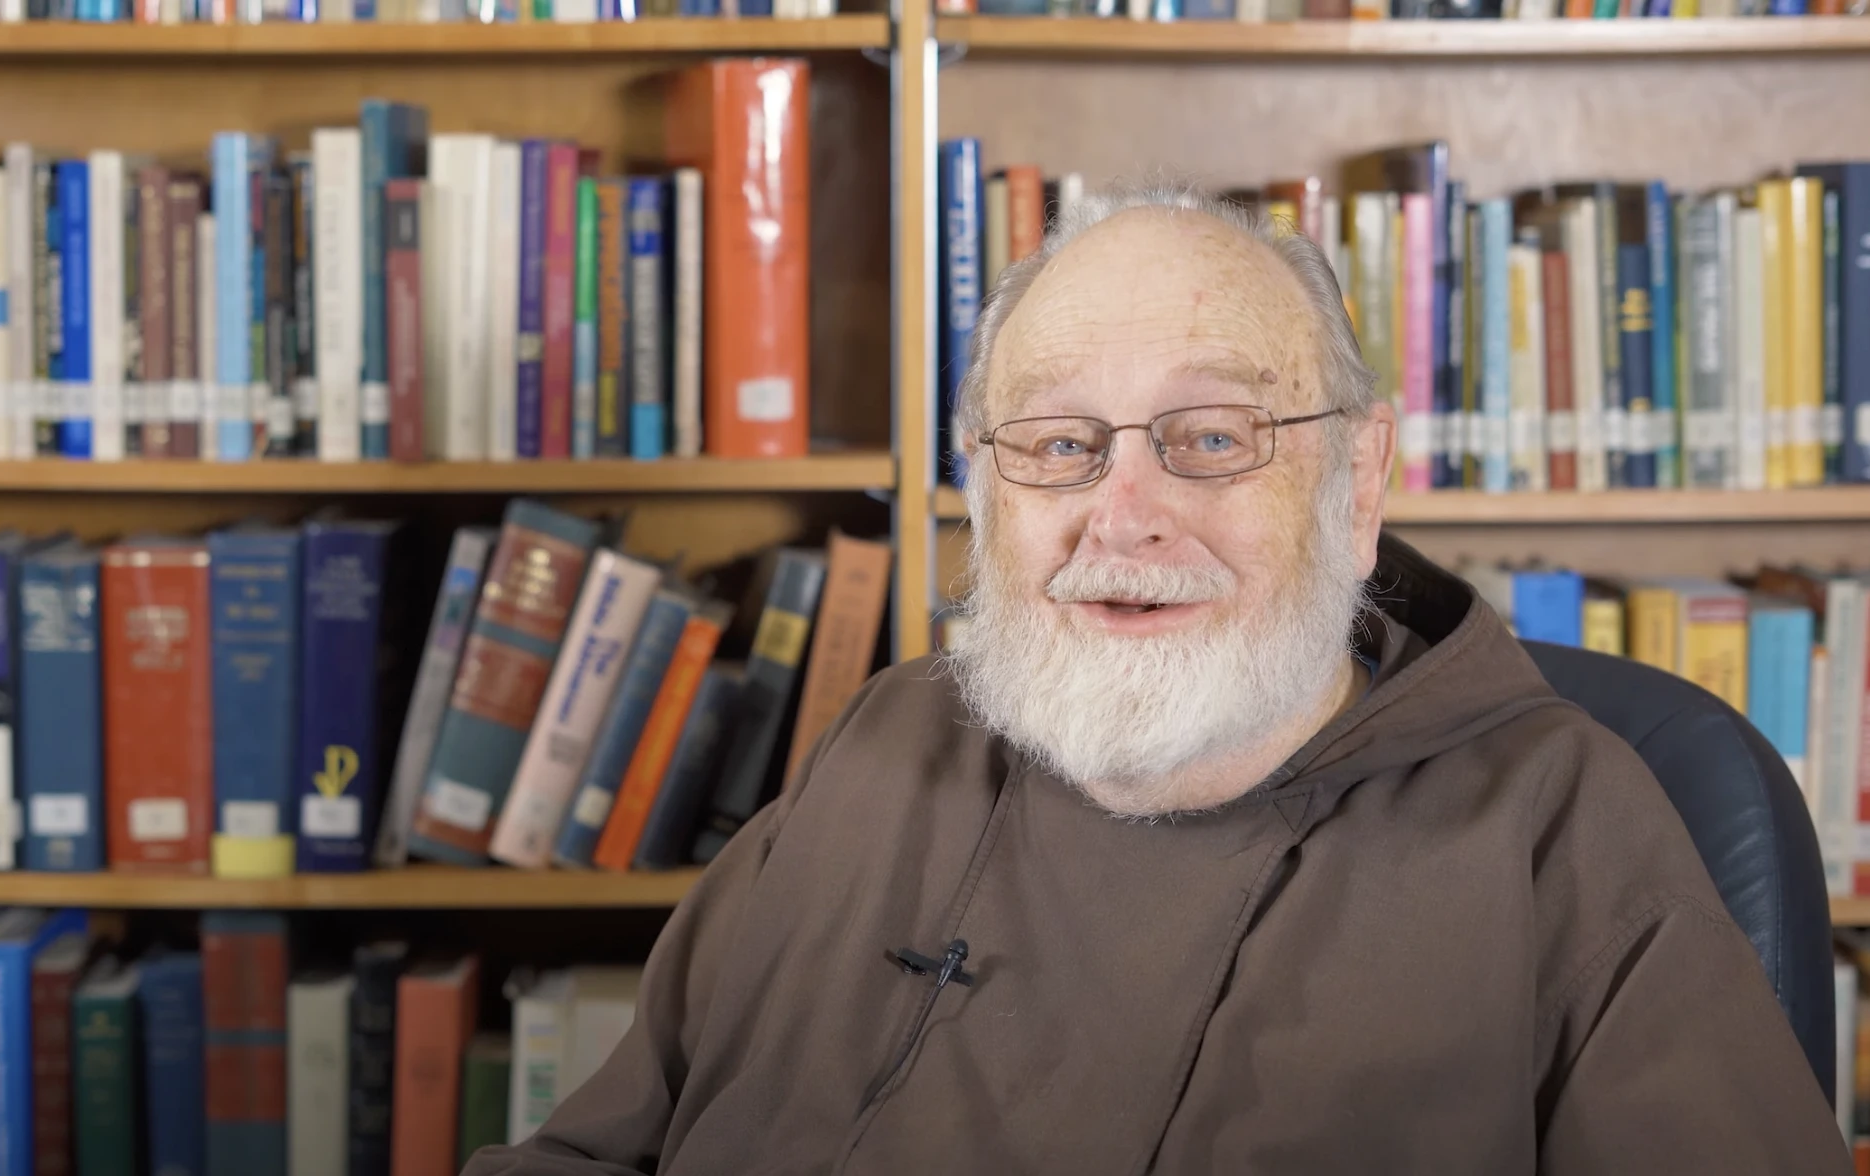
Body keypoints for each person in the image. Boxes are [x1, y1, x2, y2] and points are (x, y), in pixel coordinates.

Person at [463, 182, 1849, 1174]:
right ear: (981, 487)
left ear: (1357, 481)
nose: (1121, 519)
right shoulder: (888, 738)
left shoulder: (1562, 829)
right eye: (1059, 445)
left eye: (1212, 438)